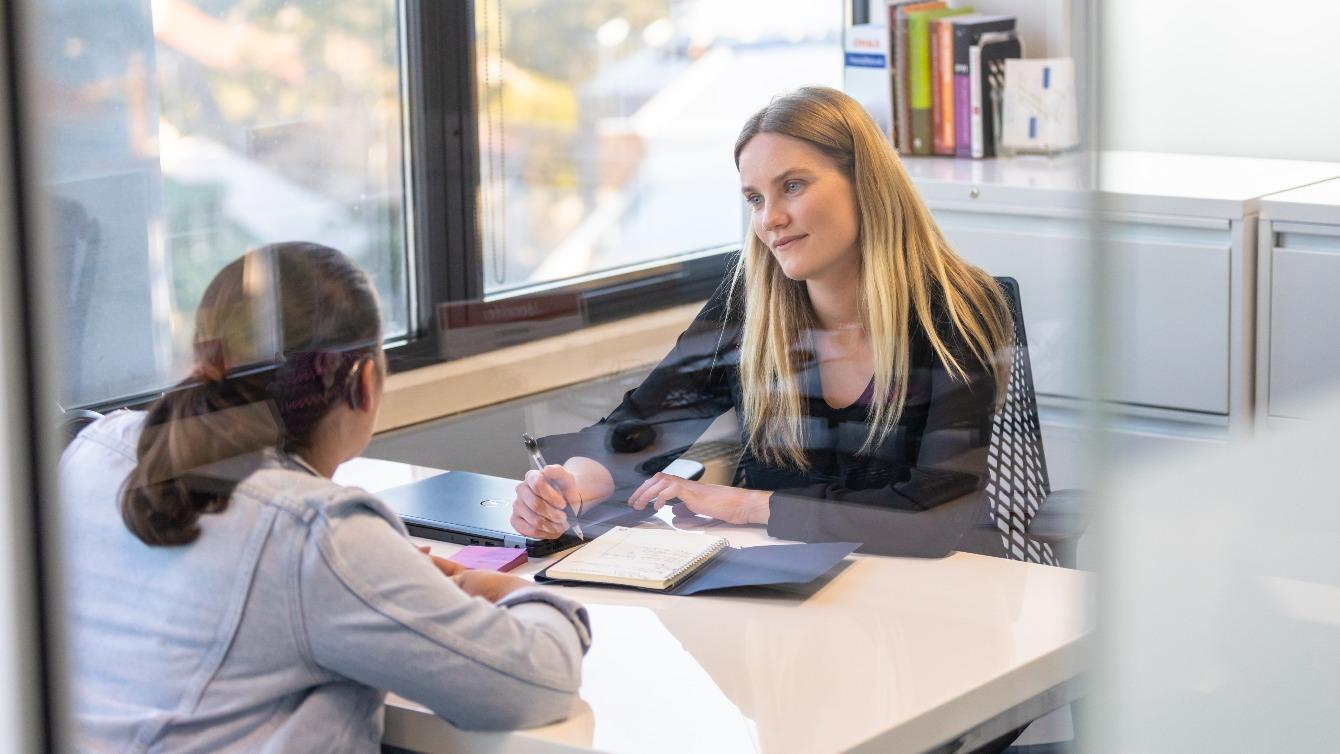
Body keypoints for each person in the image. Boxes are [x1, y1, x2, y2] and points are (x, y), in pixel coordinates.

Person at [60, 243, 591, 752]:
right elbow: (539, 680)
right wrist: (477, 584)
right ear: (364, 381)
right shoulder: (319, 531)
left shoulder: (93, 451)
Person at [511, 86, 1016, 558]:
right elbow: (644, 426)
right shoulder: (748, 298)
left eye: (791, 186)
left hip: (939, 596)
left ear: (866, 184)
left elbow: (935, 519)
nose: (769, 218)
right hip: (788, 581)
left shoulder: (956, 310)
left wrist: (751, 505)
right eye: (755, 198)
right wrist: (569, 487)